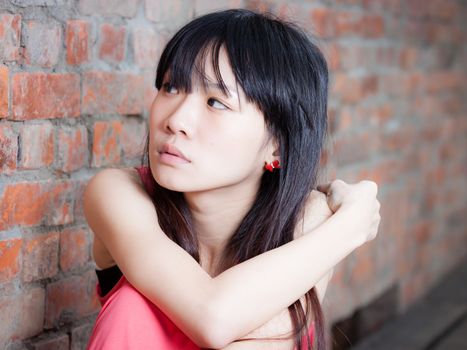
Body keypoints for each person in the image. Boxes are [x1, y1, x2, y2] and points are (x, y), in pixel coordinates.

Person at [83, 8, 380, 350]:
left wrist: (330, 223)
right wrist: (351, 226)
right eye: (171, 87)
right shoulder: (118, 194)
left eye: (216, 102)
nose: (176, 119)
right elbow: (213, 318)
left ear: (277, 146)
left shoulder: (306, 223)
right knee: (136, 305)